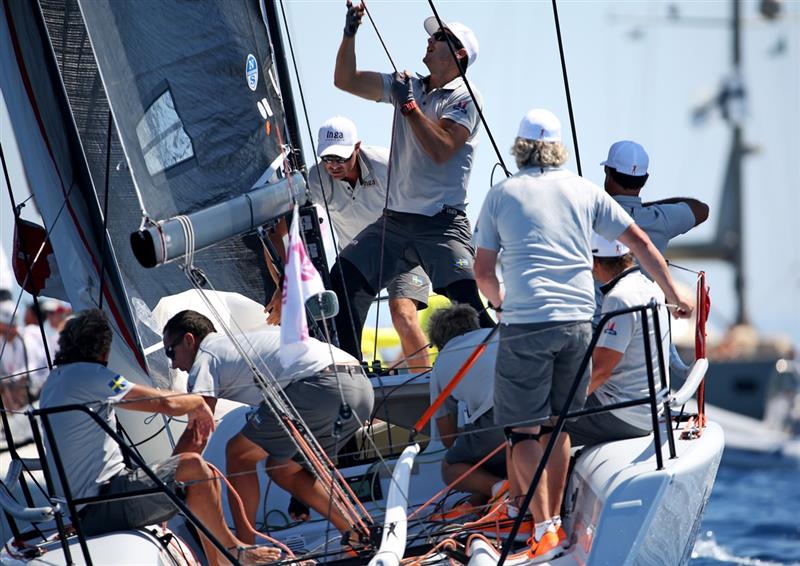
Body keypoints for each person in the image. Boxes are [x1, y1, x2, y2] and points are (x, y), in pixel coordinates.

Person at [473, 108, 693, 560]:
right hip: (577, 322)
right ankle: (548, 524)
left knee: (522, 433)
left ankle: (545, 526)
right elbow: (642, 245)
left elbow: (482, 271)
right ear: (558, 150)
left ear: (519, 147)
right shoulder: (585, 190)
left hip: (526, 323)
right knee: (558, 425)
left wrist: (500, 303)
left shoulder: (501, 194)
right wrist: (674, 294)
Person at [38, 309, 280, 566]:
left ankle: (220, 562)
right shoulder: (90, 375)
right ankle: (234, 551)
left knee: (204, 475)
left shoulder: (56, 380)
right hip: (104, 503)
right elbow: (160, 402)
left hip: (86, 505)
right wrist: (197, 402)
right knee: (195, 467)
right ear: (102, 350)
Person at [329, 2, 494, 359]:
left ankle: (503, 369)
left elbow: (442, 149)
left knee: (466, 300)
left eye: (439, 37)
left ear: (459, 53)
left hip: (441, 224)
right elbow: (345, 80)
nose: (430, 41)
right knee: (344, 277)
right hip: (396, 221)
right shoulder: (409, 86)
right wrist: (349, 33)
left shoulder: (466, 95)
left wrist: (409, 108)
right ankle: (349, 370)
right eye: (431, 36)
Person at [162, 309, 374, 545]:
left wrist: (165, 479)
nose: (174, 365)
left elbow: (197, 434)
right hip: (362, 388)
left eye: (171, 352)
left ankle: (246, 549)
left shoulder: (205, 356)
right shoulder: (234, 344)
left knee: (238, 453)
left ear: (190, 340)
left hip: (319, 386)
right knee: (281, 467)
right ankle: (358, 535)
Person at [268, 116, 432, 371]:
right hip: (360, 264)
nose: (333, 166)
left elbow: (425, 199)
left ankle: (428, 388)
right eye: (327, 158)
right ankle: (354, 379)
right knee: (342, 323)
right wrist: (284, 285)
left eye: (341, 158)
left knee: (402, 314)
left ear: (357, 147)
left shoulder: (387, 164)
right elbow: (282, 228)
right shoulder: (316, 178)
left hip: (404, 255)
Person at [567, 235, 670, 447]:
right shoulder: (651, 287)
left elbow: (601, 371)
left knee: (535, 424)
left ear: (594, 263)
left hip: (621, 414)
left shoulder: (619, 298)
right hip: (649, 409)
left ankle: (521, 480)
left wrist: (562, 406)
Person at [427, 304, 506, 513]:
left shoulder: (441, 362)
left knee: (450, 467)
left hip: (498, 419)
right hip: (540, 407)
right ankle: (487, 497)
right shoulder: (496, 333)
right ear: (474, 323)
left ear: (438, 342)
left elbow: (448, 439)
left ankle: (501, 489)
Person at [601, 140, 709, 255]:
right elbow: (702, 209)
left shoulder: (592, 217)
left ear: (607, 172)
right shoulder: (660, 219)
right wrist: (642, 209)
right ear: (645, 178)